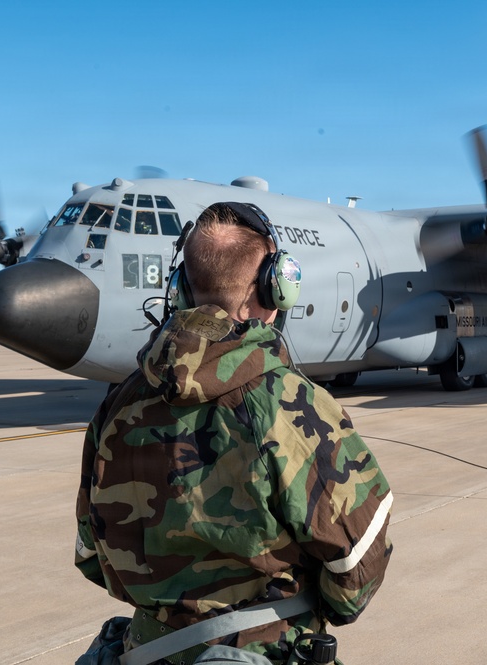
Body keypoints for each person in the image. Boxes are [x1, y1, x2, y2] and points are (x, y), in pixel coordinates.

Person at [75, 202, 393, 665]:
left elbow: (90, 553)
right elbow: (359, 560)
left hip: (145, 651)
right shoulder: (289, 404)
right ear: (274, 288)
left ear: (181, 286)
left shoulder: (118, 404)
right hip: (260, 648)